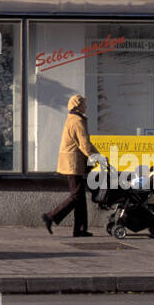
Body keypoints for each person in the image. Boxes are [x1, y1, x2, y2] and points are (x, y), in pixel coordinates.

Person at [42, 94, 105, 237]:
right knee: (76, 195)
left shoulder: (74, 119)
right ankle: (51, 216)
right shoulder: (77, 121)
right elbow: (85, 145)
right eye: (84, 104)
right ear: (78, 105)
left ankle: (80, 229)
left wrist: (98, 155)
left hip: (73, 163)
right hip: (72, 164)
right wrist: (98, 158)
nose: (86, 107)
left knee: (80, 197)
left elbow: (86, 144)